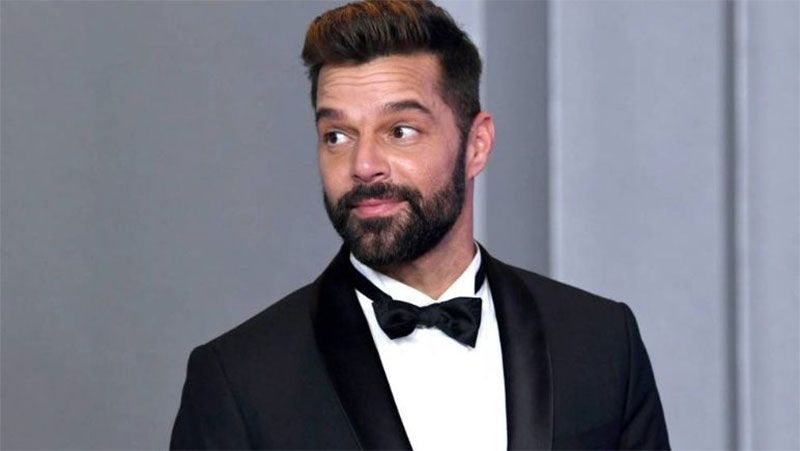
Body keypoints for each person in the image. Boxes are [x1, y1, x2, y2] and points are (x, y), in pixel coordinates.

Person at [170, 1, 670, 449]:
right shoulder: (240, 379)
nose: (364, 165)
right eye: (337, 135)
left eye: (400, 131)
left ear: (476, 145)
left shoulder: (601, 342)